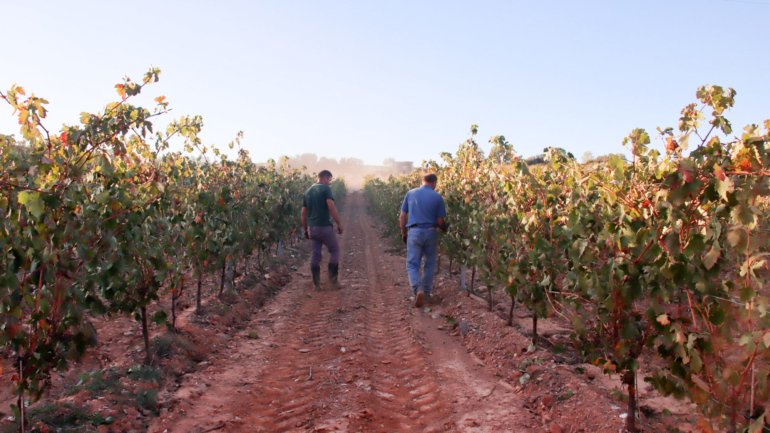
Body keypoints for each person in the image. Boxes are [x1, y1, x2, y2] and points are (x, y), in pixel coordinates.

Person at [399, 173, 448, 308]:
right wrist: (445, 228)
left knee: (412, 264)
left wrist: (404, 233)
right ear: (434, 182)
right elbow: (440, 221)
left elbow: (402, 216)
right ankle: (426, 292)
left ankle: (417, 289)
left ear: (423, 181)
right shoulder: (437, 197)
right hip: (431, 232)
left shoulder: (410, 193)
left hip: (414, 232)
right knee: (430, 263)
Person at [301, 170, 344, 289]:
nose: (329, 182)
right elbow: (331, 206)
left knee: (315, 254)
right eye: (329, 179)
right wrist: (339, 223)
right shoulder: (325, 189)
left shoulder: (307, 192)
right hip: (324, 226)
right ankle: (333, 281)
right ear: (325, 177)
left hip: (312, 228)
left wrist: (305, 230)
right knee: (334, 250)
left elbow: (303, 213)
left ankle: (316, 283)